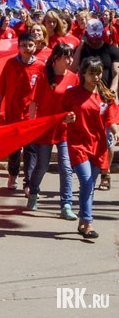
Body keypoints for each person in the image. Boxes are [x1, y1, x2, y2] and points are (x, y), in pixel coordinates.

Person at [61, 57, 119, 239]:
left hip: (98, 145)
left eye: (98, 73)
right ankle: (88, 221)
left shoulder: (105, 96)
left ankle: (82, 223)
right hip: (78, 143)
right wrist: (66, 118)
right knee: (87, 182)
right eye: (91, 73)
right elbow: (61, 115)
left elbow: (111, 119)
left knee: (90, 185)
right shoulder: (72, 94)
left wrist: (116, 132)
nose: (95, 77)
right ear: (83, 74)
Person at [28, 42, 78, 219]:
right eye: (66, 56)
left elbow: (77, 103)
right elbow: (34, 103)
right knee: (42, 166)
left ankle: (66, 205)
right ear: (56, 59)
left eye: (71, 56)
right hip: (45, 129)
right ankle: (33, 192)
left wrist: (74, 118)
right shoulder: (43, 77)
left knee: (66, 167)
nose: (70, 60)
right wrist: (31, 126)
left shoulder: (73, 78)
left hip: (65, 130)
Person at [0, 33, 43, 191]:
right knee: (14, 149)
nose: (27, 49)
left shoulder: (40, 66)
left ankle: (28, 182)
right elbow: (2, 87)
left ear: (35, 47)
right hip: (13, 113)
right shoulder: (10, 64)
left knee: (30, 149)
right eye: (24, 45)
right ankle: (12, 175)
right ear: (18, 47)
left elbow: (43, 92)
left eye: (30, 45)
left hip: (30, 115)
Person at [72, 18, 119, 189]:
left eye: (98, 38)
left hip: (106, 97)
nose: (95, 41)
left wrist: (113, 90)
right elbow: (73, 67)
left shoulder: (111, 49)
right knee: (87, 137)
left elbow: (116, 72)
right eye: (92, 38)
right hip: (85, 97)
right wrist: (81, 46)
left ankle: (105, 174)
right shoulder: (84, 49)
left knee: (108, 139)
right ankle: (88, 176)